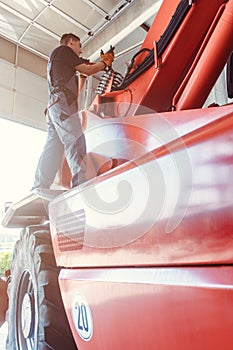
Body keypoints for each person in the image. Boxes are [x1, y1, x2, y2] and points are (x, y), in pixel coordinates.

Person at [32, 33, 114, 189]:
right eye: (79, 46)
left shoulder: (60, 64)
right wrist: (105, 63)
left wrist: (82, 78)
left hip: (55, 106)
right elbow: (89, 70)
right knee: (75, 140)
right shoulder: (63, 50)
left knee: (53, 148)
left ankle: (40, 186)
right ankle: (80, 184)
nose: (80, 51)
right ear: (71, 42)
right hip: (61, 104)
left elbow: (75, 93)